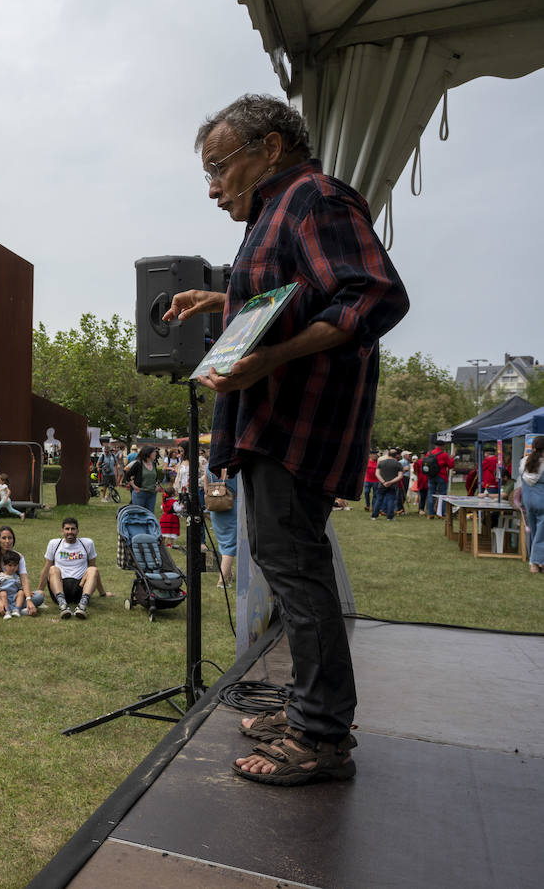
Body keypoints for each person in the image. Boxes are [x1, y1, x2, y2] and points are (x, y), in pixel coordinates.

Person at [166, 93, 408, 785]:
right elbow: (297, 292)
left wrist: (271, 358)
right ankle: (310, 709)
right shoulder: (278, 210)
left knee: (296, 570)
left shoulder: (315, 199)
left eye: (219, 167)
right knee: (290, 564)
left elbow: (373, 295)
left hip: (297, 421)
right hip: (276, 420)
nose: (212, 187)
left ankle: (322, 735)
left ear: (270, 147)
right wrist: (224, 302)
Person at [41, 517, 109, 620]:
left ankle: (82, 605)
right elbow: (46, 569)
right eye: (67, 529)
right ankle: (63, 606)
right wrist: (39, 590)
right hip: (60, 587)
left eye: (73, 529)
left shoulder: (87, 544)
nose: (70, 532)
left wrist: (102, 593)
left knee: (93, 570)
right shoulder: (54, 544)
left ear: (78, 531)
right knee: (53, 569)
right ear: (62, 530)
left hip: (80, 588)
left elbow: (93, 570)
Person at [0, 525, 43, 616]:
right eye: (4, 538)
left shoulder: (18, 556)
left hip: (15, 596)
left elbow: (24, 579)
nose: (7, 541)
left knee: (40, 595)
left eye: (10, 538)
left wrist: (28, 598)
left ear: (13, 539)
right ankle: (15, 608)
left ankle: (2, 608)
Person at [516, 435, 544, 574]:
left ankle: (539, 562)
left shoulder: (524, 461)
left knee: (534, 532)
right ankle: (535, 562)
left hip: (528, 501)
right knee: (541, 534)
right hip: (542, 500)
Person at [0, 551, 26, 619]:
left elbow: (20, 588)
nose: (12, 568)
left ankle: (17, 609)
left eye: (15, 565)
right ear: (4, 565)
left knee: (21, 592)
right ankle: (7, 611)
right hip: (3, 598)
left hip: (14, 598)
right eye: (10, 565)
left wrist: (26, 593)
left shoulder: (17, 577)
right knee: (3, 593)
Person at [125, 446, 162, 513]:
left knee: (150, 515)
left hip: (152, 494)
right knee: (139, 515)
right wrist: (134, 486)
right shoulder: (138, 464)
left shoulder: (154, 464)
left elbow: (155, 478)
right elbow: (127, 475)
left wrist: (157, 485)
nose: (156, 453)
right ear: (148, 453)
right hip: (140, 493)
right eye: (154, 452)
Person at [371, 450, 403, 521]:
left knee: (378, 500)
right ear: (396, 455)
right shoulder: (398, 464)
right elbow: (400, 476)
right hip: (392, 485)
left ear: (388, 454)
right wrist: (390, 482)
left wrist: (383, 482)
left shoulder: (381, 462)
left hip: (382, 485)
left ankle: (374, 516)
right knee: (391, 500)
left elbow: (377, 474)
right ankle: (390, 517)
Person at [423, 444, 451, 518]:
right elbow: (450, 465)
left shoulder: (429, 453)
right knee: (442, 495)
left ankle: (430, 513)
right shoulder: (444, 454)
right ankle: (441, 513)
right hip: (442, 476)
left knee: (431, 494)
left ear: (435, 446)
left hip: (431, 476)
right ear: (442, 446)